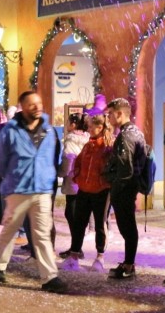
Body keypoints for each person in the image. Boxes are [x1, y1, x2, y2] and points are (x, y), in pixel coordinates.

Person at [0, 91, 64, 292]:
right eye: (32, 104)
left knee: (42, 234)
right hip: (18, 189)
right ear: (23, 107)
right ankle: (0, 266)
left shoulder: (48, 130)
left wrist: (48, 175)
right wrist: (13, 176)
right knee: (10, 229)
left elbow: (53, 157)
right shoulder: (10, 131)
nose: (37, 107)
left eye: (39, 103)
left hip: (42, 189)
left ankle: (50, 277)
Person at [102, 98, 148, 280]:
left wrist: (115, 186)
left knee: (127, 227)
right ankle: (129, 262)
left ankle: (129, 264)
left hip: (124, 189)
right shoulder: (136, 132)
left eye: (110, 114)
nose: (108, 118)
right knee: (129, 227)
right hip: (130, 187)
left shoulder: (125, 136)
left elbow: (125, 167)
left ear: (120, 114)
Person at [65, 113, 112, 272]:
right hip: (84, 190)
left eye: (92, 126)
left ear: (100, 127)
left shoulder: (107, 147)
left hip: (101, 192)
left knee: (100, 224)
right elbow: (78, 162)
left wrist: (103, 183)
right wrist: (78, 178)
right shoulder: (88, 145)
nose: (89, 129)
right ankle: (73, 256)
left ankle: (100, 257)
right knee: (79, 223)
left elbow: (110, 169)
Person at [57, 112, 88, 264]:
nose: (67, 124)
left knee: (72, 214)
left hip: (72, 181)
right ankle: (76, 247)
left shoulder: (70, 141)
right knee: (76, 215)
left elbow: (67, 164)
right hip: (83, 181)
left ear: (74, 124)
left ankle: (76, 248)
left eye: (68, 122)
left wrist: (59, 172)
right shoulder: (87, 139)